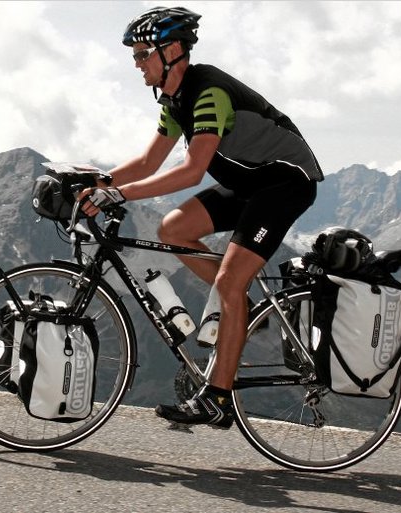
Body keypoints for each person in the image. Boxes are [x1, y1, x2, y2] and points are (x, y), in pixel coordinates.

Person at [81, 6, 323, 428]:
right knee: (174, 229)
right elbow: (147, 162)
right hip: (251, 182)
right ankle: (241, 307)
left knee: (229, 281)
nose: (136, 64)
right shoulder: (173, 99)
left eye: (142, 54)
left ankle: (217, 399)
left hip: (285, 183)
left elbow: (192, 170)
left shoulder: (208, 91)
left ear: (171, 50)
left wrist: (117, 194)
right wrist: (98, 182)